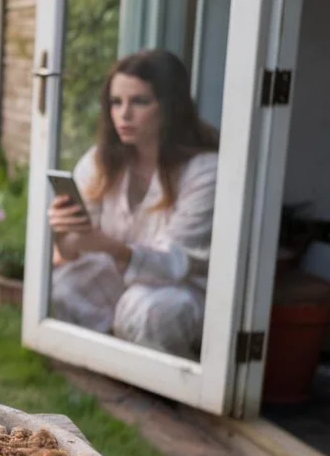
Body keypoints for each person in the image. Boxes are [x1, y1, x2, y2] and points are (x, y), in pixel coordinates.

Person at [48, 49, 219, 360]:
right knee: (60, 286)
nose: (124, 115)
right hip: (121, 277)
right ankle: (101, 367)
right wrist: (65, 233)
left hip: (181, 287)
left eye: (140, 101)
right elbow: (72, 251)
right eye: (116, 102)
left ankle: (160, 378)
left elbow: (176, 263)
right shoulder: (101, 160)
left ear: (170, 106)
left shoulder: (204, 171)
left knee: (150, 310)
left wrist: (110, 247)